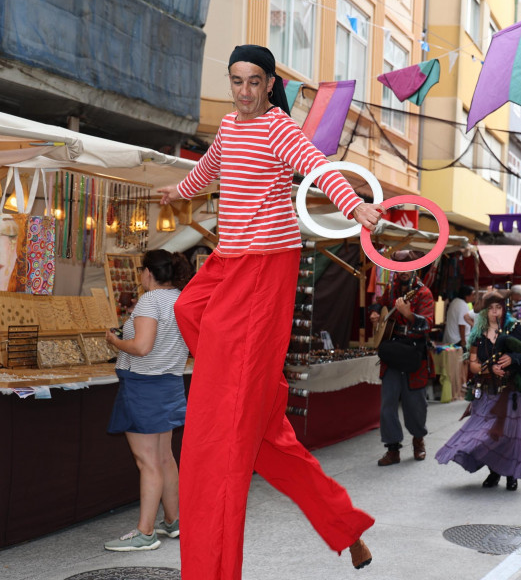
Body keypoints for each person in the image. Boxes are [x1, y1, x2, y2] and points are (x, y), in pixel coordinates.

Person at [157, 45, 378, 577]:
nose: (244, 92)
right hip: (227, 262)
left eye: (254, 82)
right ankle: (347, 528)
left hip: (264, 271)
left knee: (220, 445)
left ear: (269, 83)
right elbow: (206, 173)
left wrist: (357, 207)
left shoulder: (279, 129)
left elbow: (318, 169)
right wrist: (174, 191)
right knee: (188, 309)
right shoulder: (230, 126)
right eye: (236, 81)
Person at [103, 250, 193, 552]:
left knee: (148, 462)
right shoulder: (181, 298)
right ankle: (172, 521)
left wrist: (115, 341)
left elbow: (141, 347)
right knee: (165, 458)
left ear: (149, 273)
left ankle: (145, 533)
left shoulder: (151, 301)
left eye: (142, 270)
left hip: (144, 386)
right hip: (169, 383)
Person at [435, 291, 521, 492]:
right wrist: (488, 368)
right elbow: (473, 364)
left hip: (510, 392)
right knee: (483, 433)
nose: (494, 312)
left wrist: (514, 358)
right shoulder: (478, 331)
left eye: (498, 307)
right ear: (484, 310)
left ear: (504, 308)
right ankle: (495, 470)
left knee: (509, 432)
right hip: (484, 390)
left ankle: (510, 474)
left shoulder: (514, 328)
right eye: (490, 308)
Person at [369, 252, 435, 466]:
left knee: (415, 404)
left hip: (414, 353)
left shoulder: (424, 293)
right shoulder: (392, 288)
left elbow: (428, 325)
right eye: (399, 268)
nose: (403, 272)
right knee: (387, 404)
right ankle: (393, 448)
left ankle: (418, 440)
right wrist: (376, 312)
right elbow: (379, 303)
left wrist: (408, 315)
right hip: (392, 351)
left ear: (415, 267)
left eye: (407, 267)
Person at [443, 285, 476, 401]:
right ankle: (460, 389)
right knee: (461, 367)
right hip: (457, 339)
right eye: (473, 294)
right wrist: (463, 342)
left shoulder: (455, 302)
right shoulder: (462, 305)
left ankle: (458, 388)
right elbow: (462, 324)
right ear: (466, 295)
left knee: (455, 367)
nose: (474, 297)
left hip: (451, 338)